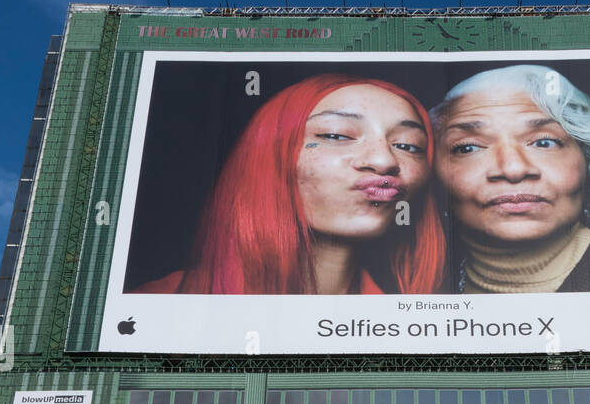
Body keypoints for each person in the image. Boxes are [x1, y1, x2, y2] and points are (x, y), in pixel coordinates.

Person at [130, 73, 446, 296]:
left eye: (408, 145)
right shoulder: (156, 305)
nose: (384, 160)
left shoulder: (409, 331)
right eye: (336, 135)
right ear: (268, 155)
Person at [430, 64, 590, 294]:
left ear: (589, 160)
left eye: (544, 142)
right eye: (468, 148)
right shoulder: (417, 288)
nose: (513, 169)